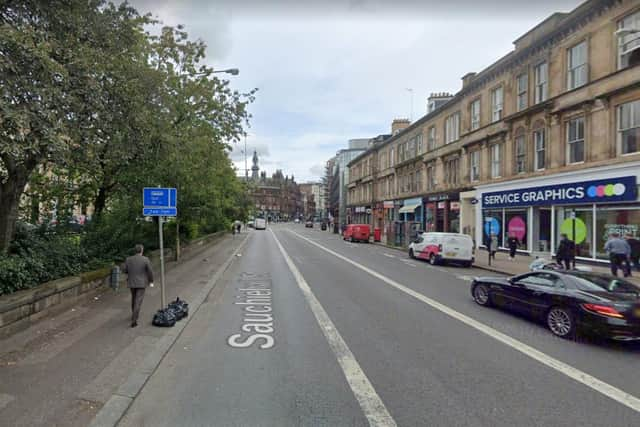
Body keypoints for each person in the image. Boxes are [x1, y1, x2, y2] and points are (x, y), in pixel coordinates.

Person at [123, 244, 154, 328]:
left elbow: (125, 270)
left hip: (132, 283)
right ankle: (134, 319)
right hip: (141, 283)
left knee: (134, 299)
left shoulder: (128, 259)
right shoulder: (145, 259)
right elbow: (150, 271)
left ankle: (134, 314)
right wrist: (151, 281)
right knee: (138, 301)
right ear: (141, 250)